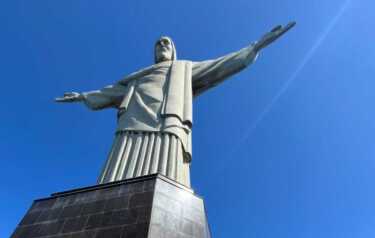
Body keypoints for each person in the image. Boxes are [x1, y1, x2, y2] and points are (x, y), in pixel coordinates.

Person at [56, 24, 295, 188]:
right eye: (158, 43)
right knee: (117, 172)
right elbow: (108, 93)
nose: (161, 44)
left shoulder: (184, 69)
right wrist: (82, 96)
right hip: (133, 122)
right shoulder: (136, 78)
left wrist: (255, 47)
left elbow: (220, 66)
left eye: (166, 43)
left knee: (167, 175)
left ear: (173, 50)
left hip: (168, 122)